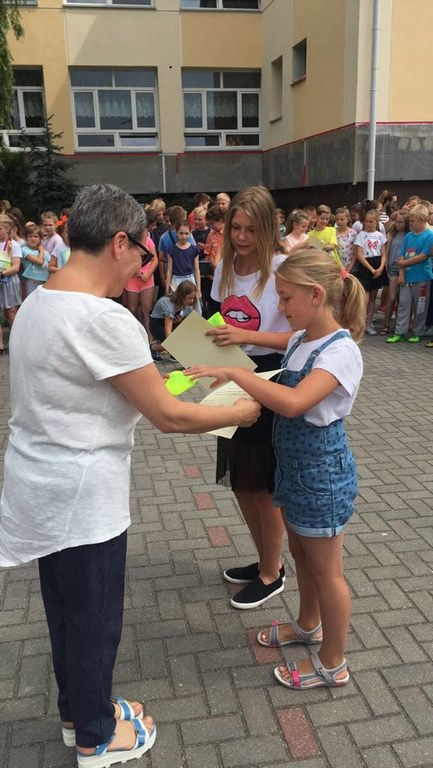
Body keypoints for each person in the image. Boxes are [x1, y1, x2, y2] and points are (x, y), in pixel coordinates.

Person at [0, 184, 260, 767]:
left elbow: (104, 387)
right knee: (95, 621)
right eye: (142, 254)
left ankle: (78, 712)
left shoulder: (41, 301)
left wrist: (169, 381)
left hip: (38, 487)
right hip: (83, 496)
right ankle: (96, 738)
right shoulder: (103, 317)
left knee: (66, 614)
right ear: (120, 242)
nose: (142, 266)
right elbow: (169, 416)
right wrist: (241, 411)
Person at [187, 248, 365, 690]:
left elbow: (294, 401)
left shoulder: (340, 351)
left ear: (316, 295)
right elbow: (271, 351)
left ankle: (333, 663)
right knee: (302, 556)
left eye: (285, 298)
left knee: (328, 573)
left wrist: (236, 375)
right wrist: (230, 351)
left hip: (321, 475)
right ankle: (308, 626)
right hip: (294, 469)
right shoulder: (301, 338)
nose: (279, 307)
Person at [205, 186, 291, 610]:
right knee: (240, 480)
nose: (240, 237)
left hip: (271, 376)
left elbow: (302, 335)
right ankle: (265, 561)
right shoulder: (224, 266)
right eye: (235, 227)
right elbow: (213, 320)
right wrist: (204, 356)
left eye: (251, 230)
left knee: (263, 485)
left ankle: (272, 573)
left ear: (268, 229)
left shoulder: (282, 268)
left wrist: (245, 335)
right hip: (232, 373)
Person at [387, 204, 433, 344]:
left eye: (413, 221)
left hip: (422, 277)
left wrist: (403, 263)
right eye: (410, 221)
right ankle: (399, 332)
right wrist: (401, 273)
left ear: (422, 220)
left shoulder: (429, 236)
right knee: (403, 304)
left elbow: (423, 256)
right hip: (406, 277)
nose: (410, 224)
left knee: (420, 306)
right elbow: (402, 254)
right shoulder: (408, 236)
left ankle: (418, 332)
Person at [354, 209, 387, 335]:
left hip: (377, 264)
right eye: (366, 221)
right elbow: (359, 254)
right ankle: (360, 324)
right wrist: (371, 269)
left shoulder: (380, 236)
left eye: (371, 221)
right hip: (366, 266)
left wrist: (381, 268)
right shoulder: (361, 235)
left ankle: (369, 323)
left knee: (373, 297)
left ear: (376, 222)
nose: (368, 224)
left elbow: (384, 254)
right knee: (365, 298)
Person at [149, 279, 198, 361]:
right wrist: (174, 346)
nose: (192, 301)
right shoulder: (169, 305)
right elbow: (167, 329)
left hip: (168, 322)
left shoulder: (181, 301)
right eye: (190, 298)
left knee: (183, 339)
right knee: (177, 343)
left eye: (193, 298)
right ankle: (154, 347)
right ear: (182, 296)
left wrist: (179, 320)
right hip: (157, 326)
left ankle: (173, 350)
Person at [124, 229, 158, 338]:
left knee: (146, 308)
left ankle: (149, 334)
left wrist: (148, 274)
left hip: (147, 278)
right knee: (132, 308)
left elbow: (155, 260)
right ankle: (134, 334)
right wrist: (133, 270)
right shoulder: (127, 242)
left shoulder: (148, 241)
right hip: (132, 278)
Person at [380, 210, 408, 336]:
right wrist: (385, 267)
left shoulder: (409, 235)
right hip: (392, 268)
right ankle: (386, 324)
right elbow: (386, 252)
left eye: (401, 222)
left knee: (403, 299)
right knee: (391, 297)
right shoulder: (392, 234)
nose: (398, 224)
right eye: (397, 222)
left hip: (405, 267)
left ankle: (399, 325)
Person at [165, 220, 201, 309]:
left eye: (186, 233)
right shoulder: (172, 250)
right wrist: (167, 287)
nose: (184, 236)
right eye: (181, 233)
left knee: (191, 306)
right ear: (177, 233)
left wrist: (199, 288)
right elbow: (169, 270)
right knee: (177, 306)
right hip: (176, 280)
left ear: (190, 233)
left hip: (190, 279)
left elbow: (197, 269)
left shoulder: (194, 250)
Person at [0, 214, 23, 352]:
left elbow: (16, 266)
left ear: (7, 229)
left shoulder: (14, 245)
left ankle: (15, 342)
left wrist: (2, 274)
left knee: (11, 312)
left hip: (9, 281)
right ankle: (0, 344)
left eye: (0, 228)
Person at [21, 224, 50, 295]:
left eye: (35, 236)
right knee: (31, 298)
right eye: (30, 236)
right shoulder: (24, 249)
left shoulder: (46, 253)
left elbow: (50, 265)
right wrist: (42, 250)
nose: (33, 238)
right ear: (26, 238)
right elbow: (40, 261)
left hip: (43, 280)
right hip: (30, 280)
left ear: (40, 239)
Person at [335, 207, 356, 271]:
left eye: (342, 219)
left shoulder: (353, 233)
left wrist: (349, 269)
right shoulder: (333, 233)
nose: (339, 221)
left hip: (350, 267)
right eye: (337, 219)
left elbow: (355, 253)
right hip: (336, 267)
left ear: (347, 219)